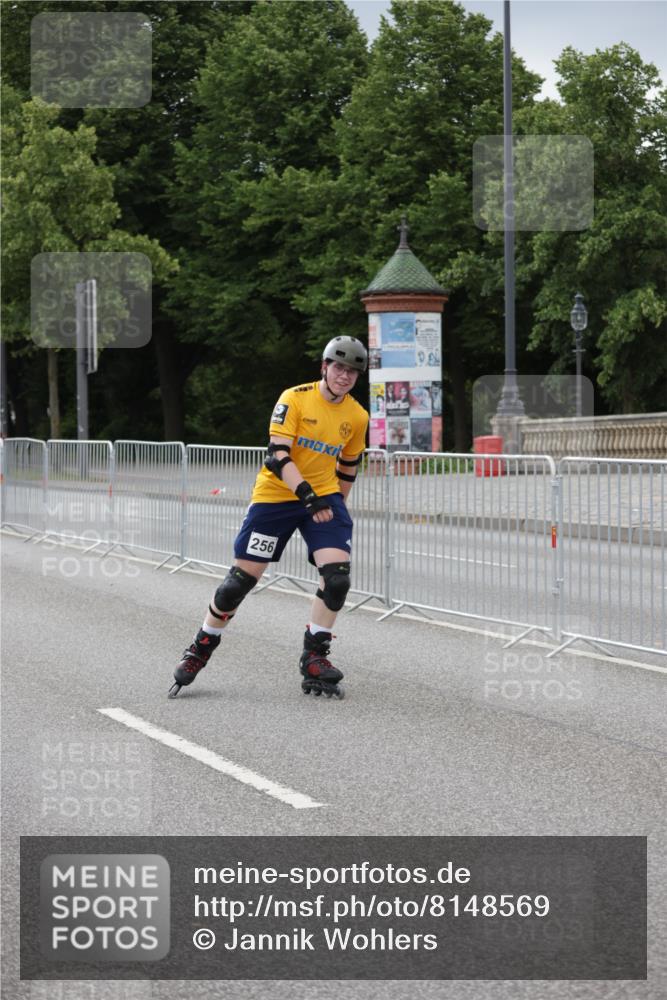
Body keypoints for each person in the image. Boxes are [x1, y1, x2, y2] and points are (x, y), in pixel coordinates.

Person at [169, 336, 370, 700]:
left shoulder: (357, 416)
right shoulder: (294, 397)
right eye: (339, 367)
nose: (344, 376)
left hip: (322, 499)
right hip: (278, 497)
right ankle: (201, 646)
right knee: (237, 584)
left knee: (337, 580)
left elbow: (349, 464)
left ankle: (314, 656)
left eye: (353, 371)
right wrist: (307, 496)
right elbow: (277, 455)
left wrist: (338, 507)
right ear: (324, 367)